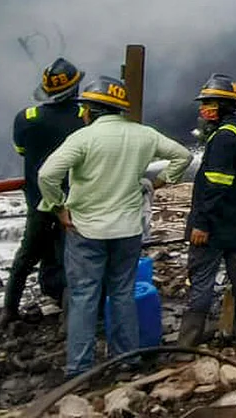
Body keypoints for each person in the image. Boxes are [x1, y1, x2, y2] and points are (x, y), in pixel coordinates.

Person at [38, 75, 193, 378]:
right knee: (122, 293)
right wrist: (157, 183)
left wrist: (58, 207)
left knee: (84, 297)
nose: (81, 113)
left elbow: (46, 175)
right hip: (127, 231)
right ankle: (128, 360)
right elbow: (183, 156)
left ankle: (79, 369)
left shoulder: (82, 139)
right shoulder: (143, 134)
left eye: (84, 108)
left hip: (86, 231)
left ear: (92, 110)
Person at [3, 58, 87, 325]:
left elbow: (22, 151)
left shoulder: (27, 118)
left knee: (26, 256)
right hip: (74, 202)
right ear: (75, 88)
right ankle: (68, 317)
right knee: (71, 257)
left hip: (38, 202)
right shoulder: (86, 117)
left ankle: (9, 311)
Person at [178, 74, 236, 348]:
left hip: (213, 225)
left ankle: (186, 344)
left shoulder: (224, 137)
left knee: (201, 279)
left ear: (225, 106)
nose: (204, 109)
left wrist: (201, 223)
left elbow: (215, 184)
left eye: (210, 104)